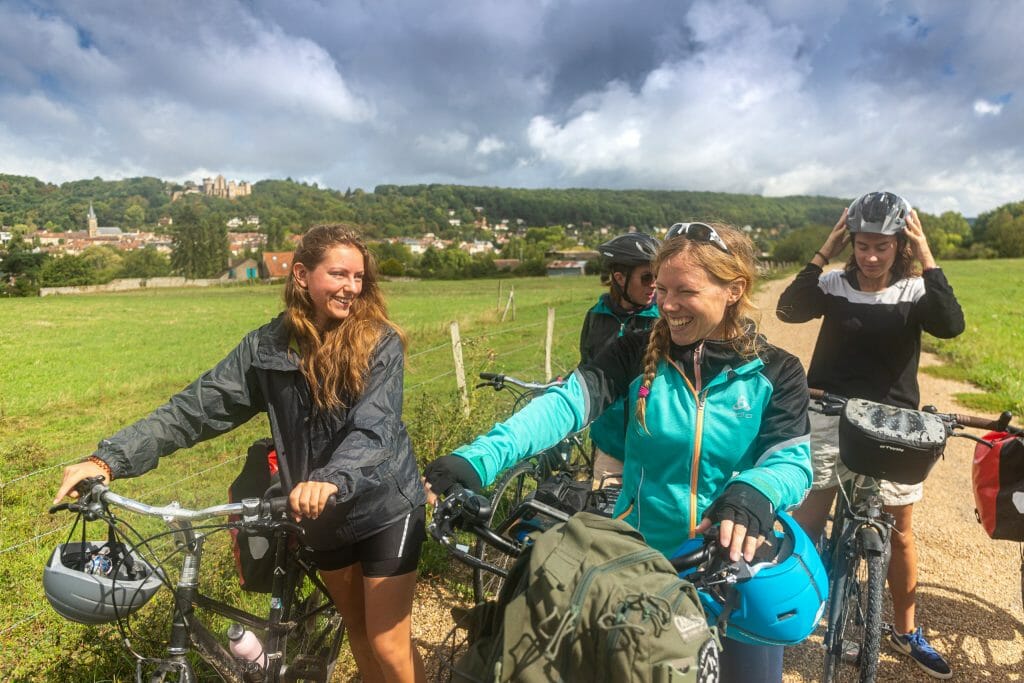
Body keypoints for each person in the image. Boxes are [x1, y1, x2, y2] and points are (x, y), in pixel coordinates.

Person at [425, 222, 812, 683]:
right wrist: (480, 458)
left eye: (683, 291)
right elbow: (565, 404)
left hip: (731, 570)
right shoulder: (635, 352)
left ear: (734, 290)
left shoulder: (777, 372)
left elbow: (791, 460)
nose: (665, 304)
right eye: (661, 287)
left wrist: (753, 490)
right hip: (640, 566)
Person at [53, 224, 427, 683]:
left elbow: (375, 429)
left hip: (383, 504)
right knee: (358, 632)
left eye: (358, 277)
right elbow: (193, 410)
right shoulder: (266, 348)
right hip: (320, 514)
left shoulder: (379, 342)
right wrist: (108, 459)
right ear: (302, 276)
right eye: (339, 274)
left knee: (388, 643)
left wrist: (331, 477)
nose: (351, 288)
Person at [776, 192, 964, 680]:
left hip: (894, 423)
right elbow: (789, 310)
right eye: (861, 245)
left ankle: (904, 632)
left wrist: (927, 257)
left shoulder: (914, 291)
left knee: (900, 532)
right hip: (828, 411)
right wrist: (824, 249)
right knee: (811, 515)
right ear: (851, 243)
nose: (871, 256)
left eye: (882, 246)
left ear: (899, 243)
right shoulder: (834, 284)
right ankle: (794, 607)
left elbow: (951, 325)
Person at [581, 232, 659, 488]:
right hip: (610, 444)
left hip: (656, 447)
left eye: (658, 276)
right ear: (619, 278)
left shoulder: (667, 319)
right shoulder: (596, 317)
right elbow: (589, 366)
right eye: (647, 277)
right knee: (605, 519)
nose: (654, 285)